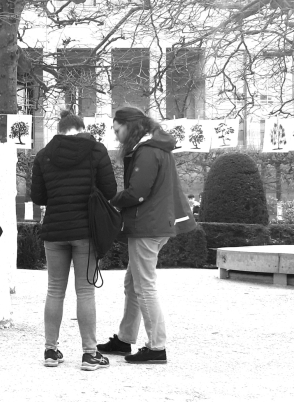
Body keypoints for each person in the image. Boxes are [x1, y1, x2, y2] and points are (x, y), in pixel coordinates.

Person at [97, 107, 197, 365]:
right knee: (134, 284)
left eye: (117, 128)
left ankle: (157, 347)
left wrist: (110, 200)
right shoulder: (155, 147)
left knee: (144, 286)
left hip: (147, 226)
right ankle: (125, 338)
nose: (115, 134)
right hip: (153, 223)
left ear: (129, 126)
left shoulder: (147, 151)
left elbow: (137, 192)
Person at [31, 111, 116, 371]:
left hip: (55, 231)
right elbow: (110, 190)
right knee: (85, 291)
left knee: (55, 290)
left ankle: (51, 350)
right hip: (86, 231)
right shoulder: (96, 150)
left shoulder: (43, 155)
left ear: (60, 129)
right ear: (81, 128)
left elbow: (38, 196)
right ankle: (90, 354)